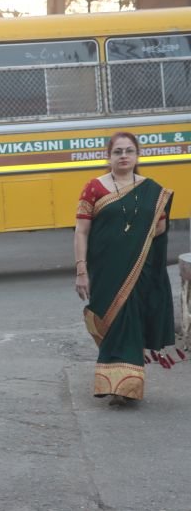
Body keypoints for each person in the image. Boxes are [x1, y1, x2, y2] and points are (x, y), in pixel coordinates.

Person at [74, 131, 182, 406]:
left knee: (130, 322)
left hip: (138, 269)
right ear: (108, 156)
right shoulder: (94, 188)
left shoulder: (152, 190)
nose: (123, 156)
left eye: (129, 151)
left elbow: (160, 227)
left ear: (137, 155)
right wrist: (81, 271)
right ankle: (118, 384)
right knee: (108, 322)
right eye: (118, 151)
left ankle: (125, 388)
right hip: (104, 270)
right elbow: (81, 231)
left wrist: (136, 242)